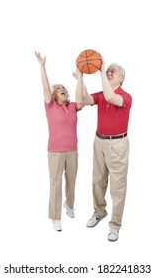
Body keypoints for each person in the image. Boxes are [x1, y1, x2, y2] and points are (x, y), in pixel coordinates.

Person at [75, 57, 132, 241]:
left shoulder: (125, 96)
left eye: (112, 71)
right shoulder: (100, 94)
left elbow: (110, 97)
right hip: (99, 141)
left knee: (118, 187)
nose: (108, 72)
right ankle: (99, 212)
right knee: (97, 180)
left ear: (121, 78)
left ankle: (115, 226)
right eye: (107, 70)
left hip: (117, 145)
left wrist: (100, 70)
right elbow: (80, 100)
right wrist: (81, 77)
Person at [35, 52, 83, 232]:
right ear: (54, 95)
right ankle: (55, 217)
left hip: (72, 151)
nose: (63, 88)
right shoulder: (50, 105)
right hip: (55, 152)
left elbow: (83, 99)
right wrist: (42, 66)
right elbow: (46, 87)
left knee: (71, 181)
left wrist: (80, 79)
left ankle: (69, 205)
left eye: (65, 87)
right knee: (55, 183)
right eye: (59, 88)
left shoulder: (72, 107)